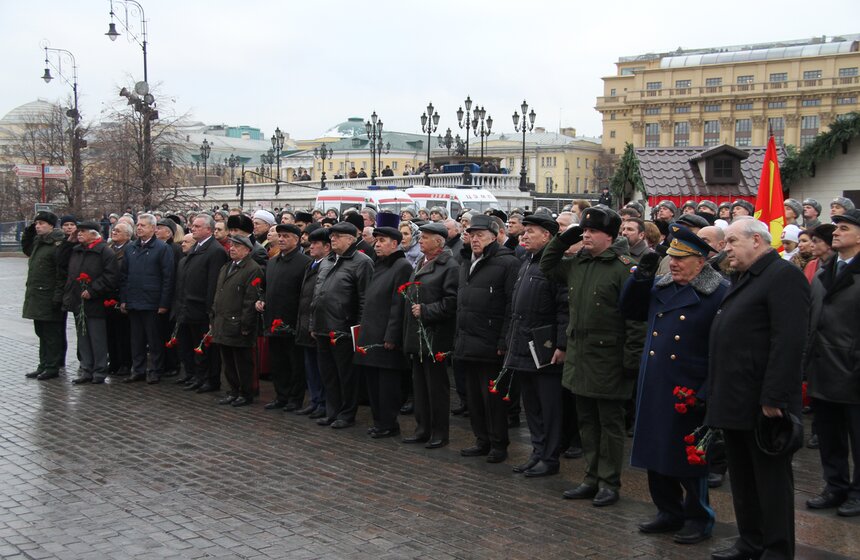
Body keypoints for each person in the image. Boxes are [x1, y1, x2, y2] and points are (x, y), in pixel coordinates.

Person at [706, 216, 810, 560]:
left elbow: (789, 340)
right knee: (744, 479)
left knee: (771, 483)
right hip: (736, 398)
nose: (727, 250)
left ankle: (776, 550)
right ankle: (750, 542)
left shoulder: (783, 276)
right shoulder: (745, 276)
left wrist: (775, 397)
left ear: (756, 240)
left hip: (764, 402)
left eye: (732, 242)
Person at [620, 224, 729, 545]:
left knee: (687, 459)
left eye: (681, 258)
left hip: (688, 388)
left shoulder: (718, 291)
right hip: (656, 384)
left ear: (701, 261)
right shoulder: (662, 285)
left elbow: (722, 350)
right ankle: (667, 511)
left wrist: (706, 391)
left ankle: (698, 517)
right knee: (655, 453)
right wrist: (640, 276)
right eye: (671, 257)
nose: (674, 263)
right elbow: (629, 308)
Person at [540, 207, 645, 507]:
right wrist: (563, 240)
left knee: (609, 425)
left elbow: (636, 321)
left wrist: (631, 361)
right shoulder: (579, 263)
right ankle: (590, 477)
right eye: (583, 231)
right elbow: (547, 266)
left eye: (591, 232)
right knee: (587, 421)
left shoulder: (625, 269)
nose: (585, 235)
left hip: (610, 359)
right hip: (581, 356)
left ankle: (609, 482)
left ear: (609, 236)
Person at [805, 209, 860, 517]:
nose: (835, 232)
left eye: (844, 227)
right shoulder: (825, 270)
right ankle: (835, 485)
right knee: (828, 433)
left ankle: (858, 491)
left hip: (852, 367)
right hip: (823, 366)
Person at [505, 214, 568, 477]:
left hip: (545, 348)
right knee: (531, 406)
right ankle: (537, 452)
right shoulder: (525, 262)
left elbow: (565, 308)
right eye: (524, 231)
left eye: (532, 231)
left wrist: (561, 344)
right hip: (523, 344)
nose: (525, 235)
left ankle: (550, 458)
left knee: (549, 407)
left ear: (547, 236)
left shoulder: (557, 266)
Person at [456, 215, 520, 464]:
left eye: (480, 235)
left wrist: (504, 340)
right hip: (468, 340)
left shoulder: (507, 263)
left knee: (492, 398)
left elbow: (510, 306)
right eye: (471, 235)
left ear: (494, 237)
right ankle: (481, 439)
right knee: (473, 397)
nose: (474, 239)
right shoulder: (466, 262)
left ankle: (498, 444)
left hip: (491, 342)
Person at [401, 222, 459, 449]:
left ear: (439, 241)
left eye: (426, 237)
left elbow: (452, 302)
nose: (421, 240)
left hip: (435, 337)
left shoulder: (449, 266)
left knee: (436, 389)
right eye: (421, 236)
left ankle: (439, 432)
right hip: (418, 336)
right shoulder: (420, 262)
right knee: (420, 387)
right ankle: (422, 428)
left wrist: (427, 311)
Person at [310, 222, 373, 428]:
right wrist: (313, 323)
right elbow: (317, 294)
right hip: (322, 326)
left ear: (351, 239)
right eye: (332, 236)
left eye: (337, 236)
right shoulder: (327, 261)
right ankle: (332, 410)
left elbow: (365, 299)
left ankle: (347, 413)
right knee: (327, 373)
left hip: (343, 328)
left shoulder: (361, 262)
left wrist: (359, 329)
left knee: (346, 375)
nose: (333, 239)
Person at [355, 214, 412, 438]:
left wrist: (391, 336)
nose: (377, 245)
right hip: (371, 333)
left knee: (387, 386)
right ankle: (380, 421)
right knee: (373, 384)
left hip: (385, 337)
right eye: (376, 241)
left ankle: (388, 423)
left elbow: (399, 305)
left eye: (383, 241)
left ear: (395, 244)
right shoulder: (379, 264)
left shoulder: (402, 266)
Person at [257, 224, 311, 411]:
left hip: (292, 322)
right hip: (272, 320)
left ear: (296, 240)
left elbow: (306, 294)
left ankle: (294, 399)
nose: (281, 239)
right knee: (277, 363)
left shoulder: (305, 263)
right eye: (279, 236)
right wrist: (261, 300)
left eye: (286, 236)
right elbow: (264, 288)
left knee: (294, 364)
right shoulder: (272, 262)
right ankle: (281, 396)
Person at [175, 215, 229, 393]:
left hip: (203, 308)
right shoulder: (197, 248)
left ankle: (210, 380)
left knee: (207, 348)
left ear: (209, 229)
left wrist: (210, 310)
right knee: (195, 345)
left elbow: (213, 282)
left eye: (198, 226)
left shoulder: (215, 251)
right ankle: (198, 376)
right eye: (192, 225)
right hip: (190, 305)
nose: (193, 228)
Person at [120, 213, 175, 384]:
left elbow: (168, 278)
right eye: (138, 225)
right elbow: (124, 276)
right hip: (134, 300)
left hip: (152, 302)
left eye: (143, 225)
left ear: (153, 228)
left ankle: (155, 370)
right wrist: (124, 299)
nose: (139, 228)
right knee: (136, 339)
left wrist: (164, 303)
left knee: (154, 339)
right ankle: (138, 369)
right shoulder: (131, 248)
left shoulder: (162, 248)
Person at [62, 221, 119, 385]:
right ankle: (86, 369)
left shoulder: (104, 251)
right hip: (78, 301)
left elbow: (110, 276)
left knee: (97, 338)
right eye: (78, 231)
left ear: (94, 234)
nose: (79, 234)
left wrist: (93, 291)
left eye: (83, 231)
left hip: (95, 302)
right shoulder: (76, 249)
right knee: (83, 338)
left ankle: (100, 371)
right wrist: (69, 242)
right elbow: (61, 263)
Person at [211, 236, 263, 407]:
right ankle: (233, 390)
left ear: (247, 250)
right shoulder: (226, 267)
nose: (232, 248)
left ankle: (245, 393)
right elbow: (219, 294)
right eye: (231, 245)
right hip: (223, 322)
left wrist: (246, 325)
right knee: (228, 361)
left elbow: (250, 300)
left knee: (243, 362)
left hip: (239, 324)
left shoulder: (252, 269)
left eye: (237, 246)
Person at [22, 211, 66, 381]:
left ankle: (52, 366)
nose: (38, 226)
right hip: (37, 295)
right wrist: (29, 231)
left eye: (41, 223)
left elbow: (61, 274)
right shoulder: (39, 242)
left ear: (51, 225)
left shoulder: (57, 244)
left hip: (49, 296)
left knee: (52, 334)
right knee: (41, 332)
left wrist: (58, 296)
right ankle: (43, 364)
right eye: (36, 223)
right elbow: (27, 248)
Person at [295, 227, 331, 418]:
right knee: (310, 367)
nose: (311, 246)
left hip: (316, 323)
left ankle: (323, 402)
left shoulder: (328, 265)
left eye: (316, 243)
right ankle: (316, 400)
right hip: (305, 321)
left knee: (320, 367)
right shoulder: (312, 264)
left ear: (327, 247)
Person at [106, 222, 134, 377]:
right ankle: (114, 362)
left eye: (118, 230)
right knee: (110, 332)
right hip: (108, 295)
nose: (114, 232)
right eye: (113, 229)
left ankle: (125, 363)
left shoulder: (130, 249)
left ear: (128, 235)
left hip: (122, 295)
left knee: (123, 333)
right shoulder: (108, 248)